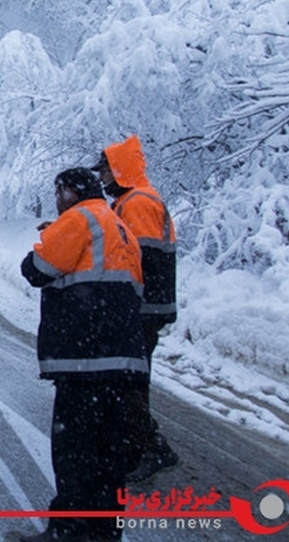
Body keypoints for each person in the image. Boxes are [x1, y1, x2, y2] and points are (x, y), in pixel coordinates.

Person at [19, 168, 148, 542]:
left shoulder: (79, 219)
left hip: (85, 357)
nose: (57, 200)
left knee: (75, 448)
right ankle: (105, 530)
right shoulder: (121, 227)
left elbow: (37, 269)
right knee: (110, 452)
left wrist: (51, 237)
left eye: (58, 193)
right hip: (122, 359)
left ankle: (69, 528)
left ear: (70, 191)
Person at [93, 135, 181, 482]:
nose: (102, 178)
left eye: (105, 171)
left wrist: (124, 305)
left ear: (120, 169)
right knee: (128, 379)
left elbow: (139, 261)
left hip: (142, 309)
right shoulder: (130, 201)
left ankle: (152, 448)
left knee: (127, 382)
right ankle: (133, 447)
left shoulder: (139, 203)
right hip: (143, 308)